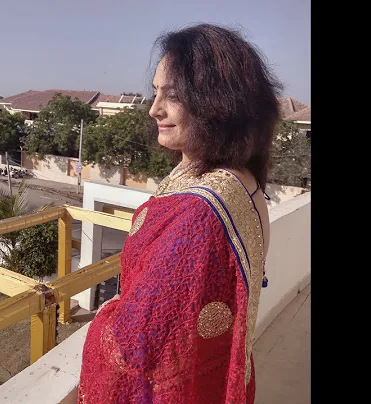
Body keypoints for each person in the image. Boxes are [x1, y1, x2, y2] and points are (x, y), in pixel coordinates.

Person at [77, 23, 282, 404]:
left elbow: (137, 345)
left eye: (172, 96)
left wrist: (106, 312)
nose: (154, 109)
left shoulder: (198, 215)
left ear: (218, 103)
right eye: (155, 93)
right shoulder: (242, 179)